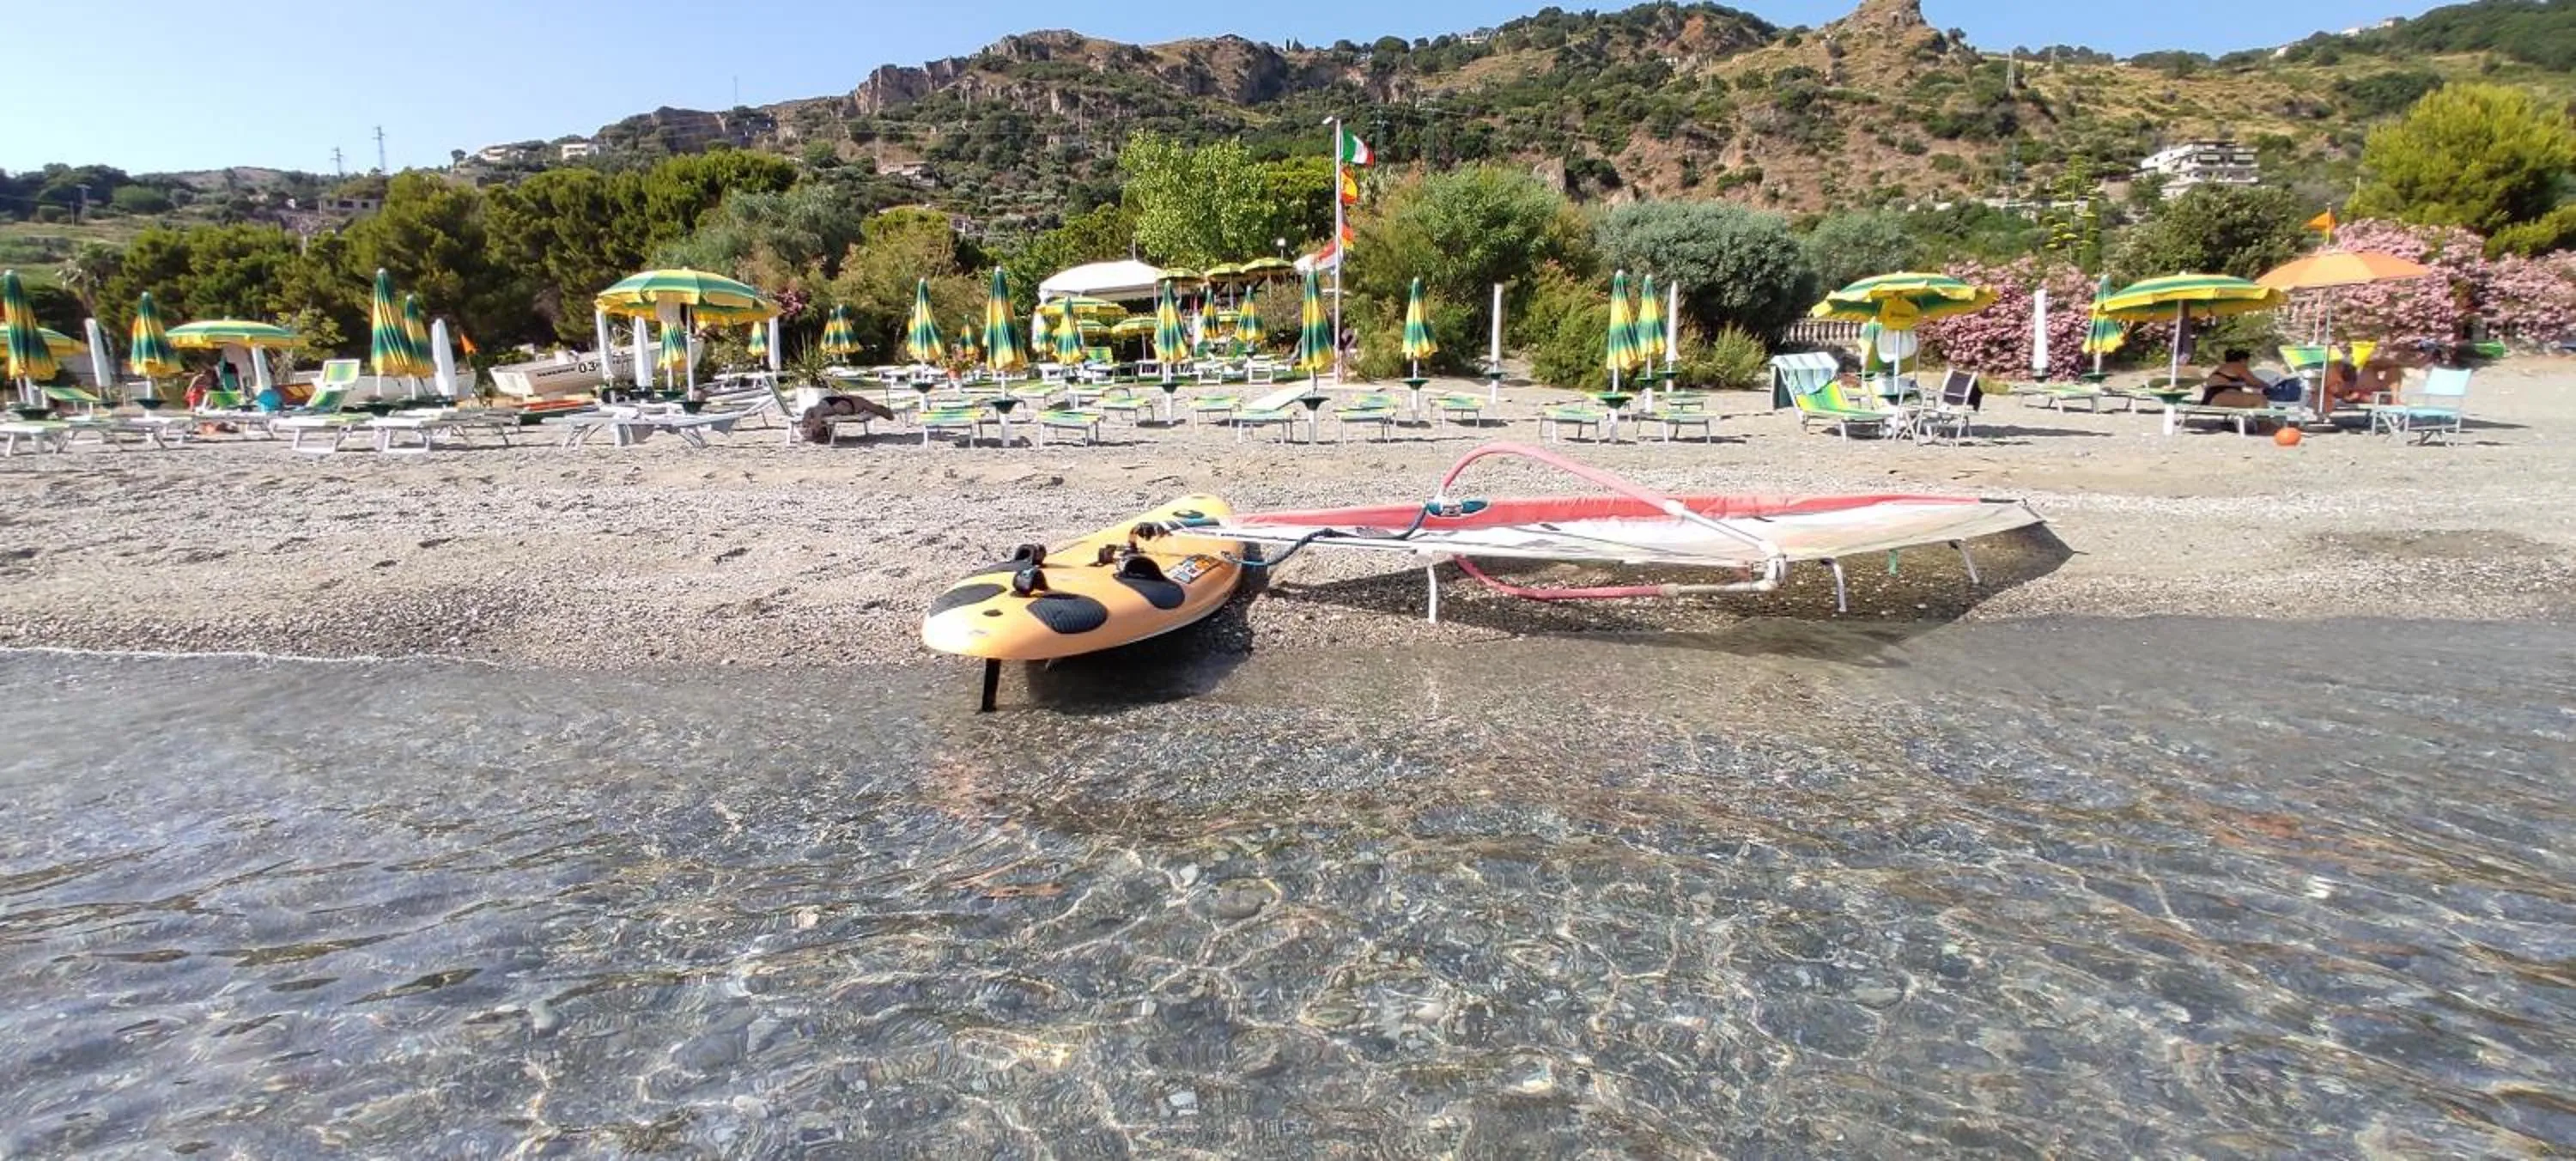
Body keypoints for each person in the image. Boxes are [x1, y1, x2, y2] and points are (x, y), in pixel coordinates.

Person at [2197, 349, 2267, 408]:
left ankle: (2260, 423)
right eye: (2247, 362)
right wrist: (2269, 386)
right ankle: (2263, 423)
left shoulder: (2225, 366)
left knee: (2248, 396)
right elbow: (2255, 382)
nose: (2247, 365)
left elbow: (2247, 383)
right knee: (2261, 399)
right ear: (2243, 360)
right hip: (2219, 397)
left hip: (2211, 397)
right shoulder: (2238, 366)